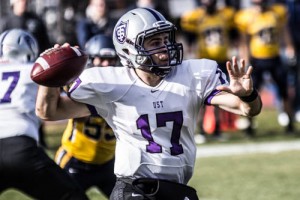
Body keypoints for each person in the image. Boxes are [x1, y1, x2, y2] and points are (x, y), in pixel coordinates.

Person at [35, 8, 262, 200]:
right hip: (134, 187)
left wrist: (248, 95)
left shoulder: (193, 74)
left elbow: (247, 109)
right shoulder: (111, 84)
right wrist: (49, 78)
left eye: (165, 39)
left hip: (177, 188)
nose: (164, 47)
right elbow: (48, 111)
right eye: (154, 42)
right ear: (129, 50)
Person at [0, 29, 88, 200]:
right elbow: (61, 105)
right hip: (20, 147)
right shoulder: (31, 70)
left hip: (18, 147)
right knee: (72, 196)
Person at [55, 34, 118, 198]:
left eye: (111, 59)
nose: (107, 64)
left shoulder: (122, 87)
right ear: (90, 60)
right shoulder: (80, 85)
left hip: (108, 163)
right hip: (75, 160)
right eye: (102, 59)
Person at [180, 0, 239, 141]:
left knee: (220, 96)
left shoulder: (225, 14)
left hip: (221, 60)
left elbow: (234, 36)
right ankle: (201, 130)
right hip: (203, 63)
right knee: (201, 97)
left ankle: (217, 129)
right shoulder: (195, 16)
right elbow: (189, 39)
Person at [234, 0, 295, 134]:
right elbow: (244, 41)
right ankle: (249, 125)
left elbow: (284, 31)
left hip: (275, 57)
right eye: (256, 3)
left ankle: (290, 123)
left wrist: (290, 47)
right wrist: (245, 59)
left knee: (284, 91)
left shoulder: (277, 12)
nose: (259, 5)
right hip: (257, 60)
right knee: (249, 93)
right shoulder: (246, 16)